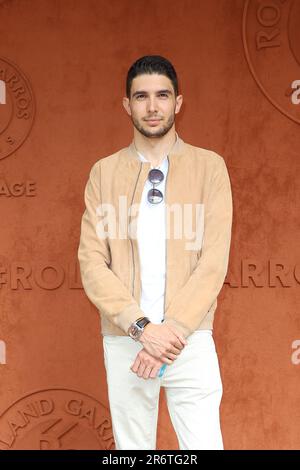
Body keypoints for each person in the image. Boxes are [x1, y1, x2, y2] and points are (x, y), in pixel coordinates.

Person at [78, 55, 233, 450]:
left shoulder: (209, 168)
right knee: (133, 452)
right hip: (127, 339)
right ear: (126, 105)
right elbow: (92, 263)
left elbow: (213, 263)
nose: (152, 107)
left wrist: (170, 334)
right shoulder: (104, 173)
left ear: (178, 102)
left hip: (190, 338)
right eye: (141, 96)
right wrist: (144, 329)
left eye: (162, 95)